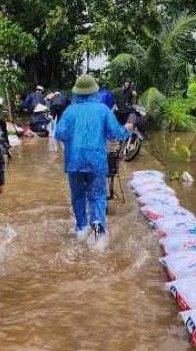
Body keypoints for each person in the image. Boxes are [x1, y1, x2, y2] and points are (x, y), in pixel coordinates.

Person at [55, 74, 133, 249]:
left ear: (77, 92)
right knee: (97, 197)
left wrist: (73, 138)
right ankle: (98, 234)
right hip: (96, 162)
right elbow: (117, 133)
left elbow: (59, 133)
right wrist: (127, 128)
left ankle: (81, 230)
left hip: (74, 162)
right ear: (94, 91)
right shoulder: (103, 110)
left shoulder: (70, 111)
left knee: (78, 197)